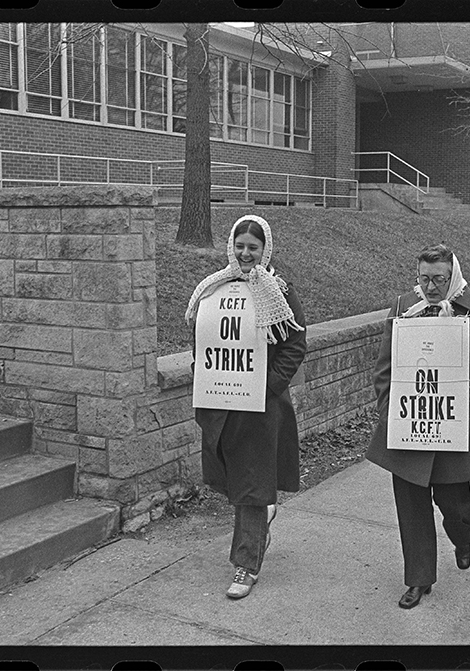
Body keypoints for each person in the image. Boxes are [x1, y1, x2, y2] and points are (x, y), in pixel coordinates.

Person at [365, 243, 470, 609]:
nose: (430, 288)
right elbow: (384, 369)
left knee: (454, 502)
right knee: (411, 506)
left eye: (438, 279)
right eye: (424, 279)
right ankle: (418, 579)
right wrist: (389, 413)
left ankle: (461, 535)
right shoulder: (402, 309)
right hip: (409, 425)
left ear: (451, 274)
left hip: (453, 425)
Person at [185, 214, 307, 600]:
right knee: (233, 478)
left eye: (253, 247)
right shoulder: (215, 288)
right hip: (222, 402)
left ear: (265, 249)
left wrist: (266, 387)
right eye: (240, 245)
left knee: (252, 483)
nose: (245, 253)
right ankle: (261, 519)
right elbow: (202, 337)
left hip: (260, 406)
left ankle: (246, 565)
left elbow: (294, 347)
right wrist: (201, 369)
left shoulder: (278, 292)